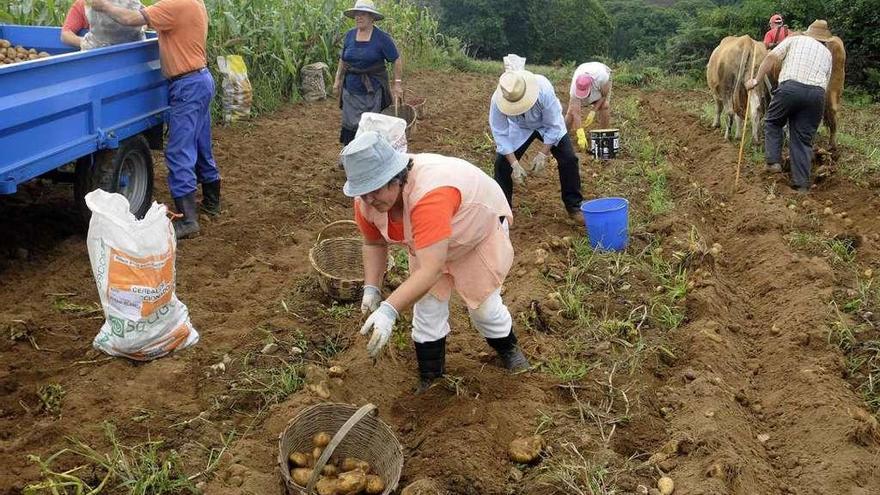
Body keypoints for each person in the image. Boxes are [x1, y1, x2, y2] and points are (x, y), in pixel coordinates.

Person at [342, 131, 530, 393]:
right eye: (363, 193)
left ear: (395, 178)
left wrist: (389, 310)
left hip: (474, 234)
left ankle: (509, 350)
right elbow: (374, 243)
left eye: (374, 190)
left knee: (484, 308)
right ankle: (431, 376)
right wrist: (371, 288)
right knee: (427, 307)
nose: (369, 200)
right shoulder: (367, 201)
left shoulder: (430, 194)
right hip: (428, 245)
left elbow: (430, 269)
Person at [87, 0, 221, 238]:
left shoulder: (175, 4)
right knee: (201, 144)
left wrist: (103, 6)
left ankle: (188, 220)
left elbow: (130, 19)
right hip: (200, 79)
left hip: (187, 85)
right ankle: (212, 201)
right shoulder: (195, 3)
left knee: (179, 152)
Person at [746, 20, 833, 194]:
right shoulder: (827, 54)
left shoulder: (795, 39)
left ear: (808, 32)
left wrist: (756, 80)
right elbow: (826, 81)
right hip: (817, 96)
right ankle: (801, 185)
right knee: (802, 139)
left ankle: (773, 162)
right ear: (824, 39)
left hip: (790, 88)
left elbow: (771, 57)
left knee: (773, 121)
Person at [490, 69, 584, 221]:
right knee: (502, 165)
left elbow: (553, 126)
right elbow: (500, 133)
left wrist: (543, 154)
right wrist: (514, 164)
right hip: (519, 128)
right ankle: (503, 212)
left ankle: (574, 206)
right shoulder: (497, 100)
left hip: (546, 124)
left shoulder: (543, 89)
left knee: (569, 159)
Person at [333, 0, 404, 146]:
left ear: (372, 17)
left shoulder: (382, 38)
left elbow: (396, 59)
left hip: (372, 90)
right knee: (350, 123)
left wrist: (397, 84)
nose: (358, 17)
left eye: (363, 14)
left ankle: (370, 157)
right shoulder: (349, 35)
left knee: (371, 125)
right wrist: (337, 80)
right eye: (356, 14)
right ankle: (350, 155)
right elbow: (343, 59)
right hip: (350, 88)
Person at [564, 62, 612, 152]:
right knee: (571, 111)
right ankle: (562, 136)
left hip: (601, 75)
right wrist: (580, 133)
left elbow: (604, 96)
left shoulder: (602, 78)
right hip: (582, 68)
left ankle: (605, 136)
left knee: (604, 106)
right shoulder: (574, 88)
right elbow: (576, 112)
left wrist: (593, 111)